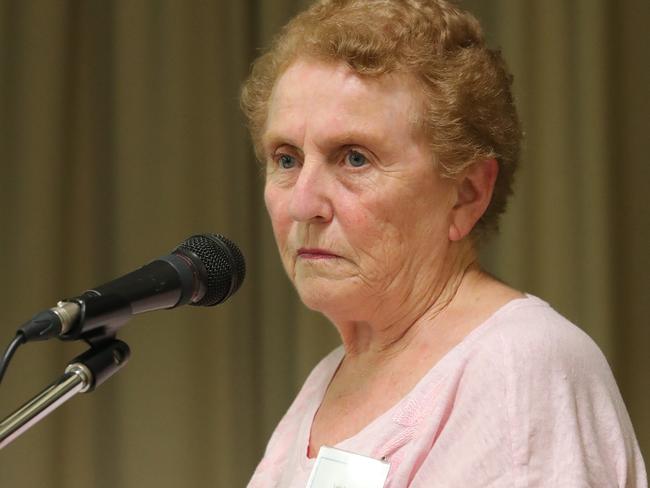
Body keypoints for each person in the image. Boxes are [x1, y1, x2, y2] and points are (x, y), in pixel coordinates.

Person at [241, 0, 647, 486]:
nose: (303, 203)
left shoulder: (519, 366)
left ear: (467, 192)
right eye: (286, 159)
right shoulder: (330, 377)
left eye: (353, 158)